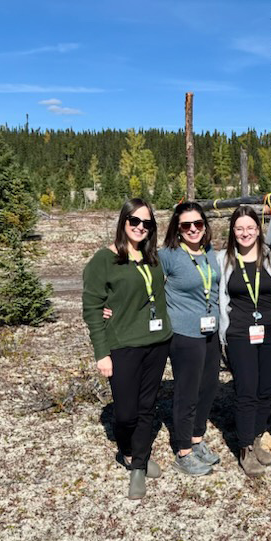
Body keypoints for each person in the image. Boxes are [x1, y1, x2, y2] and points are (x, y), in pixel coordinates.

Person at [82, 198, 173, 500]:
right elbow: (92, 308)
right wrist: (101, 353)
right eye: (134, 220)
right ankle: (127, 452)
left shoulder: (153, 258)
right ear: (123, 221)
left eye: (146, 223)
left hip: (157, 344)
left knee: (147, 407)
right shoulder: (103, 260)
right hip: (123, 346)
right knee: (125, 413)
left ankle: (140, 465)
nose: (139, 227)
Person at [218, 206, 271, 477]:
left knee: (264, 390)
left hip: (270, 332)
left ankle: (256, 438)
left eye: (250, 228)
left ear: (258, 229)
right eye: (239, 228)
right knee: (246, 389)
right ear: (233, 232)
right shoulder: (223, 259)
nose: (245, 233)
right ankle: (244, 447)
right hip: (239, 333)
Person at [157, 202, 222, 476]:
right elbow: (141, 281)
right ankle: (183, 450)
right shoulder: (168, 255)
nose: (193, 229)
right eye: (186, 225)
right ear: (178, 229)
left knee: (208, 387)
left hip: (210, 332)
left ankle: (196, 439)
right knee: (187, 391)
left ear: (205, 226)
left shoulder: (209, 252)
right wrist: (110, 303)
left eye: (198, 224)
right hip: (184, 334)